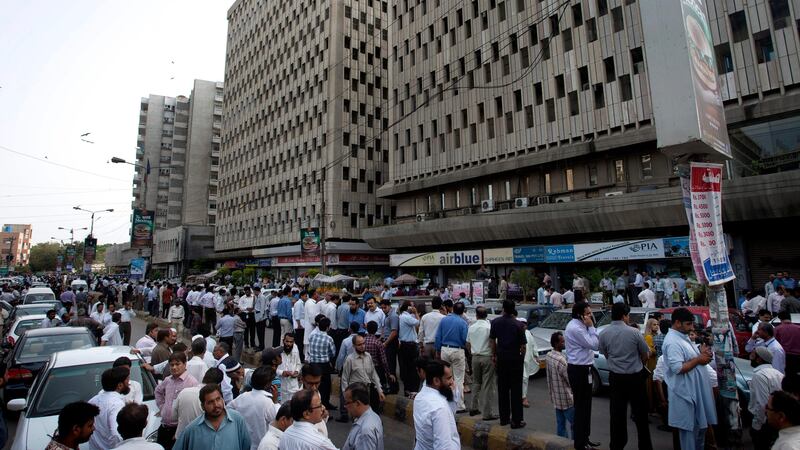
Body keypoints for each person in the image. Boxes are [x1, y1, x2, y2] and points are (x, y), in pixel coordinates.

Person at [598, 302, 652, 450]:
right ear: (624, 316)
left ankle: (616, 445)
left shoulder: (603, 333)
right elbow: (645, 354)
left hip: (616, 378)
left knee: (617, 415)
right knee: (641, 415)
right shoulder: (634, 333)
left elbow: (605, 353)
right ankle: (645, 446)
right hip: (635, 378)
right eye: (628, 315)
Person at [662, 307, 717, 450]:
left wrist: (700, 354)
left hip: (694, 391)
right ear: (678, 323)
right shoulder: (673, 341)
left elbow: (689, 358)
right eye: (688, 324)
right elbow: (678, 368)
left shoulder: (682, 338)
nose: (692, 327)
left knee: (699, 432)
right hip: (686, 394)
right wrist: (699, 359)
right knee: (689, 437)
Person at [564, 301, 600, 449]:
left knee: (587, 406)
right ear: (579, 314)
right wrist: (591, 326)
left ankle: (585, 437)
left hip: (586, 368)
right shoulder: (576, 328)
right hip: (579, 369)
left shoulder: (581, 326)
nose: (590, 315)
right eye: (587, 313)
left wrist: (589, 326)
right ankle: (580, 442)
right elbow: (595, 344)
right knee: (581, 407)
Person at [173, 384, 251, 450]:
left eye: (218, 399)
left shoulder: (237, 419)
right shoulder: (192, 429)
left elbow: (246, 446)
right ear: (203, 406)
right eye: (210, 402)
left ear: (223, 399)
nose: (216, 405)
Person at [490, 300, 526, 428]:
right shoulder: (518, 325)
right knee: (516, 390)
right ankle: (516, 420)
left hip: (502, 358)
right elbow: (523, 346)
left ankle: (504, 418)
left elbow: (492, 341)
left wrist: (494, 355)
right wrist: (522, 359)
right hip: (515, 359)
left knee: (502, 389)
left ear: (503, 308)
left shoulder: (495, 322)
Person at [412, 359, 460, 450]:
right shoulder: (439, 408)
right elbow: (443, 446)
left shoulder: (420, 397)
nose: (452, 382)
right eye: (448, 378)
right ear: (436, 381)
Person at [155, 352, 199, 449]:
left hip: (179, 430)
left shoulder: (192, 382)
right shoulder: (167, 380)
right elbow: (158, 391)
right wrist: (162, 407)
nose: (174, 367)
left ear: (185, 364)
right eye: (172, 365)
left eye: (177, 364)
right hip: (164, 427)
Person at [229, 366, 278, 450]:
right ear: (268, 384)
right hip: (260, 445)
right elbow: (277, 421)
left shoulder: (242, 397)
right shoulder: (267, 402)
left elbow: (228, 410)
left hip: (242, 444)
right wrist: (275, 401)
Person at [434, 301, 468, 412]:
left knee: (446, 377)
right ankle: (459, 404)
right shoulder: (463, 323)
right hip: (458, 350)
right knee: (458, 379)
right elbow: (465, 339)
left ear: (453, 308)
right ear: (463, 311)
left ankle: (446, 401)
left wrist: (438, 350)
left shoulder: (444, 320)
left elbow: (438, 336)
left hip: (444, 349)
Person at [86, 366, 131, 450]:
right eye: (127, 380)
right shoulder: (116, 404)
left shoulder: (92, 401)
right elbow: (116, 433)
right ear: (120, 385)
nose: (129, 383)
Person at [748, 346, 784, 449]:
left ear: (759, 359)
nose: (750, 356)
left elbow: (762, 404)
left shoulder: (759, 375)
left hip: (764, 425)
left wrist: (756, 426)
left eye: (753, 355)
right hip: (774, 421)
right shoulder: (778, 374)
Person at [173, 368, 225, 437]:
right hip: (201, 439)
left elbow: (173, 416)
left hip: (181, 437)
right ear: (218, 384)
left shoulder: (184, 392)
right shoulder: (218, 402)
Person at [467, 306, 497, 420]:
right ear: (486, 315)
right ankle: (487, 413)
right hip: (487, 357)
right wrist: (494, 355)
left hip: (475, 357)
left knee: (476, 383)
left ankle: (473, 407)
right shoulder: (489, 327)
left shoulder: (472, 327)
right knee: (488, 386)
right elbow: (493, 343)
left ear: (476, 315)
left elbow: (468, 344)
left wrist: (472, 354)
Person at [341, 335, 385, 411]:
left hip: (367, 391)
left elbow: (373, 375)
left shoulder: (368, 356)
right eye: (359, 345)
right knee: (357, 417)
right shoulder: (350, 359)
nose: (362, 346)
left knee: (367, 414)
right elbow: (344, 379)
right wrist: (347, 396)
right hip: (355, 393)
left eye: (363, 343)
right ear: (354, 346)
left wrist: (379, 391)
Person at [546, 332, 574, 439]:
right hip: (567, 399)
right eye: (562, 342)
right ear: (556, 343)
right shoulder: (562, 361)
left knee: (561, 425)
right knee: (575, 424)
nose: (564, 343)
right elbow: (570, 381)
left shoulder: (549, 356)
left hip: (556, 397)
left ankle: (562, 444)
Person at [342, 382, 384, 450]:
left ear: (357, 403)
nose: (345, 406)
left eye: (347, 403)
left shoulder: (365, 431)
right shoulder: (374, 416)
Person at [307, 317, 336, 409]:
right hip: (324, 365)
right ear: (327, 327)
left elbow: (309, 350)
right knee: (325, 388)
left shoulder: (312, 336)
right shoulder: (329, 338)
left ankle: (314, 404)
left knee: (314, 386)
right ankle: (324, 406)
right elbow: (333, 353)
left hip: (313, 364)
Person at [520, 317, 540, 409]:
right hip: (516, 360)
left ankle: (523, 397)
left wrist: (536, 355)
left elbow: (533, 345)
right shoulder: (514, 333)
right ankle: (520, 397)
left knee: (525, 379)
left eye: (525, 324)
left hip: (526, 360)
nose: (524, 326)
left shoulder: (528, 334)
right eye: (522, 324)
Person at [277, 333, 302, 401]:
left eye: (291, 342)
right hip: (281, 387)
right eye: (287, 341)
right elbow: (272, 368)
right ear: (283, 341)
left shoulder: (295, 349)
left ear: (293, 342)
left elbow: (298, 364)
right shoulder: (278, 352)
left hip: (293, 387)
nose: (288, 344)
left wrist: (296, 371)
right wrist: (282, 372)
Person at [775, 310, 800, 376]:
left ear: (780, 319)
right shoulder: (798, 328)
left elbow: (775, 344)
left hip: (784, 356)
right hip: (797, 357)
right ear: (790, 318)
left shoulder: (778, 329)